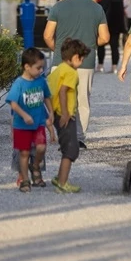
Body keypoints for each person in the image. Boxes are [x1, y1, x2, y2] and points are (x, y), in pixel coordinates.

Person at [43, 0, 109, 144]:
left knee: (59, 98)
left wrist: (58, 49)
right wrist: (87, 47)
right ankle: (79, 137)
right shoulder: (97, 8)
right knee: (83, 101)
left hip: (61, 61)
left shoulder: (58, 7)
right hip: (85, 62)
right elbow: (105, 38)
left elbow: (48, 35)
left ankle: (65, 134)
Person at [6, 48, 55, 192]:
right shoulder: (19, 83)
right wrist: (24, 115)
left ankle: (35, 167)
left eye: (42, 68)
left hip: (38, 123)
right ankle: (25, 179)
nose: (41, 71)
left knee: (41, 147)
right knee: (24, 152)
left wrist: (51, 112)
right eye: (38, 67)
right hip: (22, 125)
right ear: (27, 67)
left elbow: (46, 96)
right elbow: (13, 103)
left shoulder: (41, 81)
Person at [47, 38, 88, 194]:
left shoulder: (58, 70)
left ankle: (60, 177)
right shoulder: (71, 73)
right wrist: (65, 113)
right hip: (66, 116)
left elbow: (49, 91)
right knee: (71, 150)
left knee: (66, 148)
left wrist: (53, 112)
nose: (82, 61)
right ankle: (62, 182)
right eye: (81, 58)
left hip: (57, 114)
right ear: (74, 57)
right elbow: (63, 91)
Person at [96, 0, 127, 74]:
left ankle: (100, 65)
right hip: (117, 23)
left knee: (101, 43)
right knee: (115, 46)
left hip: (108, 22)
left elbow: (103, 7)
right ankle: (114, 67)